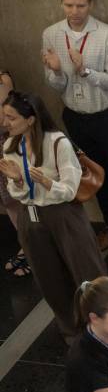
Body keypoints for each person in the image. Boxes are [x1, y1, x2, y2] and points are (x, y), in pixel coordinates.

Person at [41, 0, 108, 257]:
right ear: (61, 2)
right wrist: (59, 72)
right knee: (95, 173)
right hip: (75, 116)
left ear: (91, 4)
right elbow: (56, 85)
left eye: (80, 5)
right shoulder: (51, 34)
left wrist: (85, 71)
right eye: (69, 5)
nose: (74, 11)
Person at [1, 91, 106, 338]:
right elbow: (17, 194)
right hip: (31, 217)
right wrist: (17, 181)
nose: (5, 123)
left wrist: (48, 183)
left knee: (87, 272)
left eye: (11, 117)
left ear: (31, 119)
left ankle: (107, 326)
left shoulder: (58, 142)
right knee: (50, 280)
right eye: (4, 116)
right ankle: (74, 332)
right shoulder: (10, 146)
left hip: (63, 215)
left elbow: (70, 190)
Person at [0, 70, 27, 278]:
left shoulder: (3, 79)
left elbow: (6, 116)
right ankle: (25, 243)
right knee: (7, 200)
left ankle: (35, 249)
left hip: (7, 142)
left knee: (21, 198)